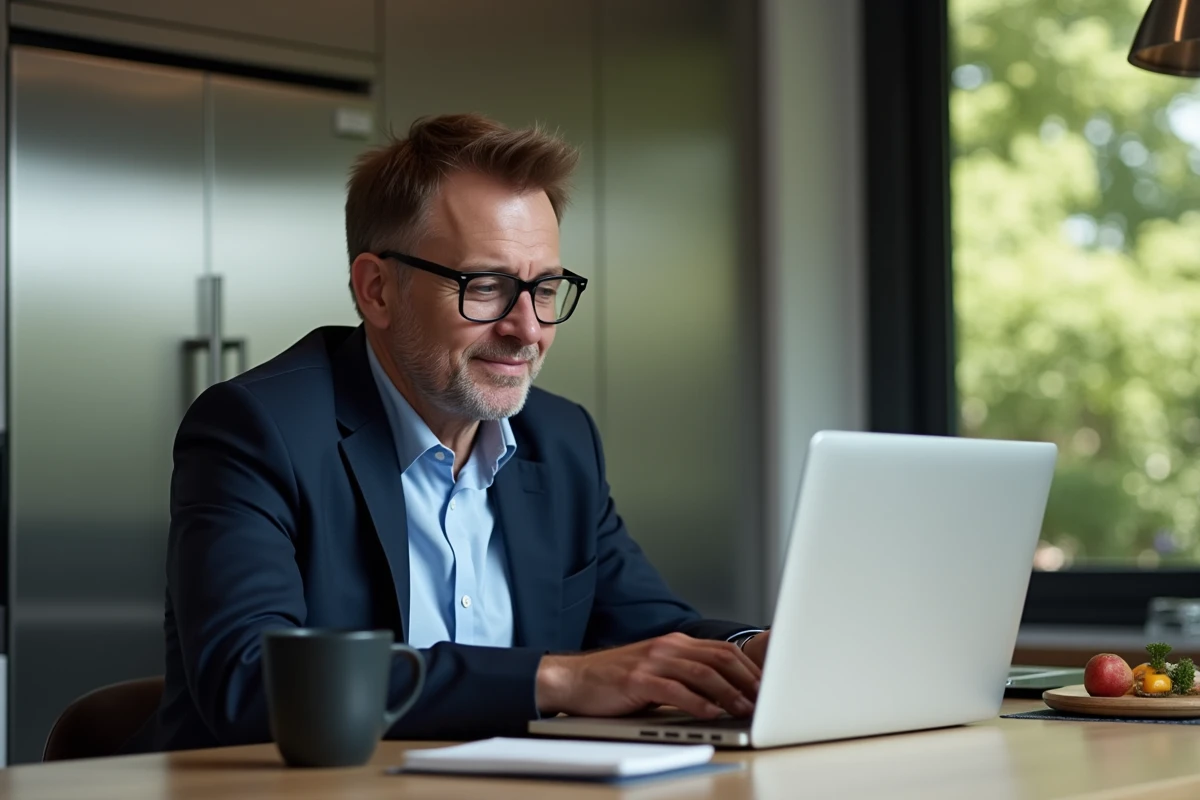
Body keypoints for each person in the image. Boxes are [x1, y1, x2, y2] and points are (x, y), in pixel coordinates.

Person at [145, 113, 770, 751]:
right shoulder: (259, 430)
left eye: (545, 288)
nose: (528, 329)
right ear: (377, 289)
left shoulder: (560, 440)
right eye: (487, 286)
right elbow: (251, 681)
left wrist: (755, 653)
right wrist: (555, 679)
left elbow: (651, 633)